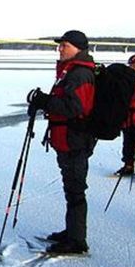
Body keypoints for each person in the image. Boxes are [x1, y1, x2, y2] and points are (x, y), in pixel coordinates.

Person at [27, 30, 97, 255]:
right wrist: (45, 102)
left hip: (75, 140)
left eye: (64, 45)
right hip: (67, 139)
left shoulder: (80, 74)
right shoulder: (71, 71)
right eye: (60, 45)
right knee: (71, 188)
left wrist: (45, 101)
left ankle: (77, 242)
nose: (60, 48)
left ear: (77, 48)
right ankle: (72, 232)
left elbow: (76, 108)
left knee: (76, 190)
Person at [115, 54, 135, 180]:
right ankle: (128, 165)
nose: (132, 69)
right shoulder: (126, 81)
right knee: (128, 143)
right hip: (128, 117)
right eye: (131, 66)